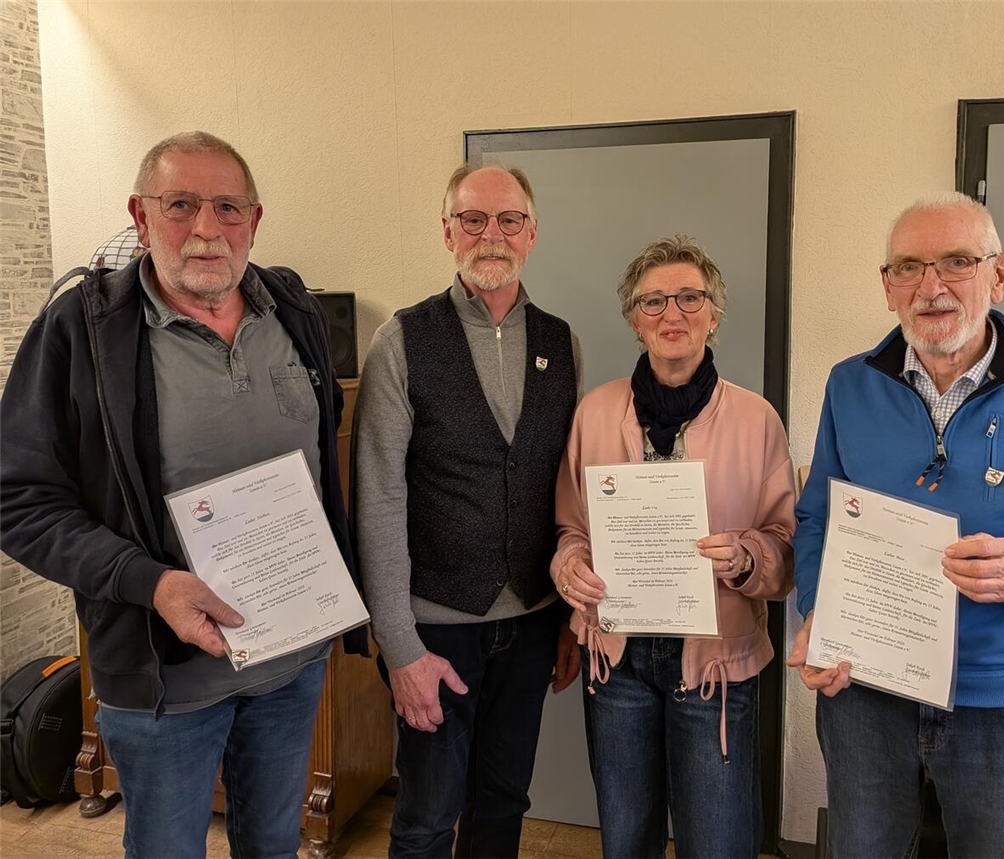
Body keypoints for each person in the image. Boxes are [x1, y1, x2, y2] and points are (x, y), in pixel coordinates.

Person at [0, 131, 368, 859]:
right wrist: (154, 582)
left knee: (271, 841)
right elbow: (18, 500)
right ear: (141, 216)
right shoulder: (82, 329)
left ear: (254, 221)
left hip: (290, 666)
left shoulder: (290, 309)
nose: (207, 229)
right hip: (162, 682)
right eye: (181, 205)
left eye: (228, 208)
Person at [787, 192, 1004, 858]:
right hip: (868, 691)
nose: (933, 286)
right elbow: (817, 520)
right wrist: (819, 610)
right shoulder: (849, 385)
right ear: (888, 285)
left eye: (957, 261)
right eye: (910, 267)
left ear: (999, 273)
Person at [353, 163, 582, 858]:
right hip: (435, 631)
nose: (492, 234)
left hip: (533, 624)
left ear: (532, 233)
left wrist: (572, 615)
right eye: (473, 219)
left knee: (503, 803)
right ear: (447, 230)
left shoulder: (560, 341)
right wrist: (399, 647)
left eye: (509, 219)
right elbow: (379, 498)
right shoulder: (402, 341)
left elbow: (566, 486)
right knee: (425, 816)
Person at [552, 234, 796, 859]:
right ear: (634, 320)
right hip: (618, 662)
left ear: (714, 313)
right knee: (626, 839)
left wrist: (746, 558)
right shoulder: (595, 412)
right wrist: (570, 566)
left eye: (690, 297)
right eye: (653, 301)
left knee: (718, 843)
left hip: (714, 667)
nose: (673, 313)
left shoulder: (758, 419)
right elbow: (570, 528)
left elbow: (786, 543)